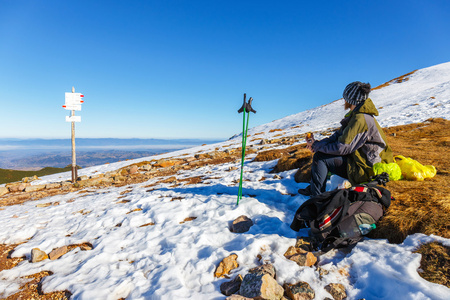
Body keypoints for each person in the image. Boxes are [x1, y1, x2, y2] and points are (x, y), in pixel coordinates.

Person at [299, 81, 394, 197]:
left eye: (345, 98)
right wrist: (316, 144)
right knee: (322, 153)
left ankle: (317, 199)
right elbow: (337, 136)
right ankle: (315, 189)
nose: (344, 101)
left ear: (350, 100)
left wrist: (318, 148)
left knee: (321, 158)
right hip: (360, 159)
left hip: (367, 168)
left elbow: (342, 147)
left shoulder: (360, 119)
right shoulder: (356, 115)